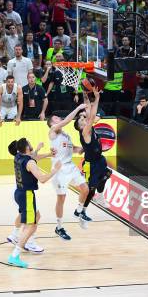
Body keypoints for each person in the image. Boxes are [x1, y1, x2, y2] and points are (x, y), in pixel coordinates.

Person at [7, 138, 61, 268]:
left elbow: (33, 156)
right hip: (27, 195)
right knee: (31, 225)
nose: (31, 146)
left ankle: (22, 239)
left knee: (36, 216)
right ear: (26, 148)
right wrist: (55, 170)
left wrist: (46, 153)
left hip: (19, 192)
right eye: (30, 145)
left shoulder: (18, 156)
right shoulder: (30, 162)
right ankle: (15, 254)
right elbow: (42, 179)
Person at [44, 103, 89, 240]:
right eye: (57, 118)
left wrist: (83, 148)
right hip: (60, 169)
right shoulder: (52, 131)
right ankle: (59, 227)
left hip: (71, 166)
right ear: (52, 122)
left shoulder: (66, 135)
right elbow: (67, 121)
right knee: (61, 198)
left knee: (85, 189)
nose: (59, 119)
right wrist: (78, 108)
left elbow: (73, 148)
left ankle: (79, 211)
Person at [74, 87, 112, 225]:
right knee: (90, 189)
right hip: (91, 164)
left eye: (84, 118)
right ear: (80, 127)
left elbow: (90, 111)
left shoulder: (88, 127)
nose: (84, 119)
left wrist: (87, 96)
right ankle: (81, 210)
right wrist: (97, 98)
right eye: (82, 120)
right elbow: (92, 113)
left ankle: (100, 198)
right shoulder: (84, 132)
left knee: (107, 174)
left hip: (99, 159)